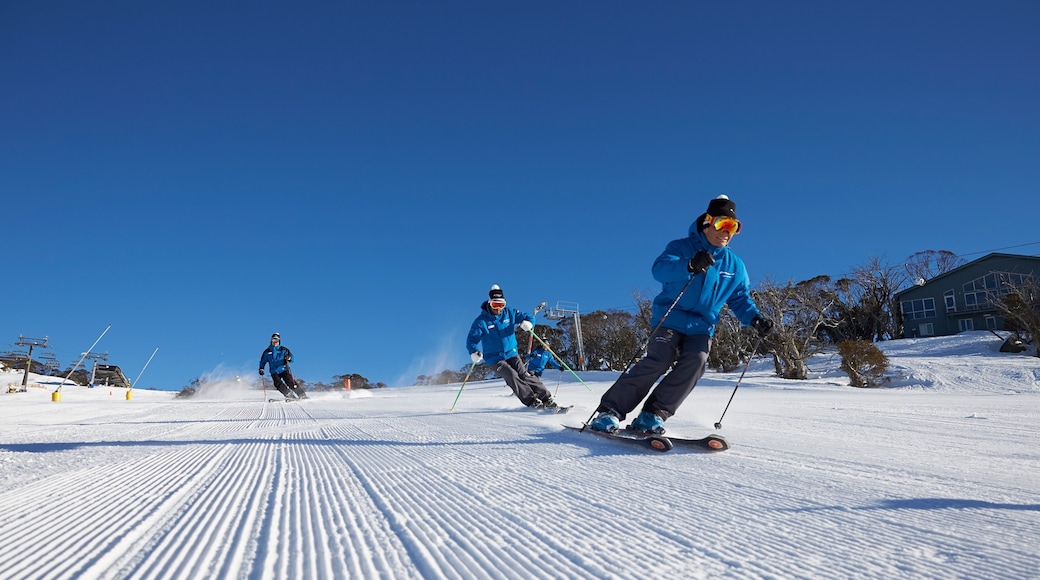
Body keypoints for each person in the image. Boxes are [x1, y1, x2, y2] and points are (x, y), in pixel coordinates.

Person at [589, 195, 773, 434]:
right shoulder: (681, 247)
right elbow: (660, 270)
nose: (727, 232)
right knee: (659, 359)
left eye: (733, 227)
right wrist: (688, 265)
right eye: (722, 224)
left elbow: (739, 298)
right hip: (670, 317)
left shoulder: (735, 265)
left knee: (696, 362)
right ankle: (610, 411)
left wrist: (755, 318)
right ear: (708, 223)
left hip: (702, 325)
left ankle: (652, 414)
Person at [467, 285, 559, 409]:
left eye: (501, 305)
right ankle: (531, 401)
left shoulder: (509, 313)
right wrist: (474, 352)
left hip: (511, 353)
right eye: (495, 305)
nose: (499, 309)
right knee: (511, 375)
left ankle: (546, 398)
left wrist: (528, 323)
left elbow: (529, 317)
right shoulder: (481, 321)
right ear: (489, 303)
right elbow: (471, 339)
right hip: (494, 358)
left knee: (524, 375)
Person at [259, 332, 308, 400]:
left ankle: (302, 395)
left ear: (279, 341)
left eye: (276, 340)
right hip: (274, 371)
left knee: (290, 382)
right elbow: (262, 361)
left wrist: (289, 358)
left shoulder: (284, 350)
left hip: (284, 369)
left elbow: (292, 358)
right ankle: (289, 395)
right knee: (277, 384)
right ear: (271, 341)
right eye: (273, 340)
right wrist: (261, 368)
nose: (275, 342)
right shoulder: (267, 352)